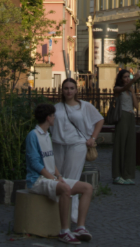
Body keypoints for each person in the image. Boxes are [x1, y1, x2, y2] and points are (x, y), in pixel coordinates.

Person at [26, 103, 94, 244]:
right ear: (48, 118)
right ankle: (64, 231)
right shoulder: (33, 135)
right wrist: (53, 179)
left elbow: (50, 159)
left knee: (87, 188)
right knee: (65, 189)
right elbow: (35, 163)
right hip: (37, 180)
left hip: (50, 178)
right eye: (53, 116)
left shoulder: (47, 134)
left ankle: (80, 227)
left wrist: (59, 176)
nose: (54, 118)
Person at [52, 78, 104, 222]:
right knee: (58, 178)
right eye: (66, 88)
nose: (69, 91)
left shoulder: (84, 106)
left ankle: (72, 213)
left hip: (77, 145)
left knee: (72, 179)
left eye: (71, 88)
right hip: (58, 145)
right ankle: (57, 212)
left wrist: (93, 138)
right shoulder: (57, 107)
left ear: (76, 90)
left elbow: (100, 120)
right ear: (62, 90)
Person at [111, 68, 138, 186]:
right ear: (121, 79)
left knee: (130, 146)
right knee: (120, 145)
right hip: (122, 116)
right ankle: (117, 175)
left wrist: (133, 92)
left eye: (129, 77)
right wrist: (133, 80)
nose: (127, 79)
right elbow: (122, 88)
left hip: (131, 116)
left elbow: (136, 106)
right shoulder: (118, 89)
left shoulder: (130, 90)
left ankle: (127, 175)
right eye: (125, 77)